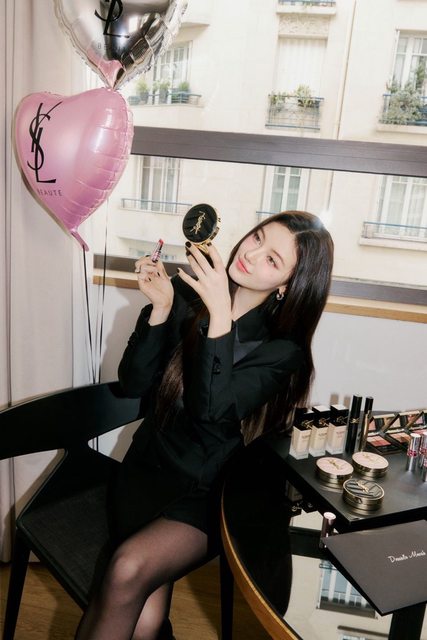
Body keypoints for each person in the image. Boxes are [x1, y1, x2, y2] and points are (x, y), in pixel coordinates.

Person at [75, 210, 334, 640]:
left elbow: (211, 410)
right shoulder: (186, 294)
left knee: (127, 569)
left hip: (208, 492)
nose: (252, 254)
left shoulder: (282, 351)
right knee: (143, 619)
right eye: (257, 238)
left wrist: (220, 317)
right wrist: (160, 310)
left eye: (272, 260)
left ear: (287, 286)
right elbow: (133, 383)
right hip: (146, 471)